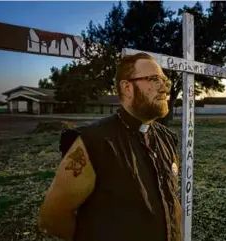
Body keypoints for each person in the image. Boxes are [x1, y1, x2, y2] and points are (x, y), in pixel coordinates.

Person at [38, 53, 182, 241]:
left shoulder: (167, 138)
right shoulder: (94, 142)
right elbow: (53, 216)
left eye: (165, 81)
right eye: (154, 79)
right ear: (127, 87)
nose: (164, 88)